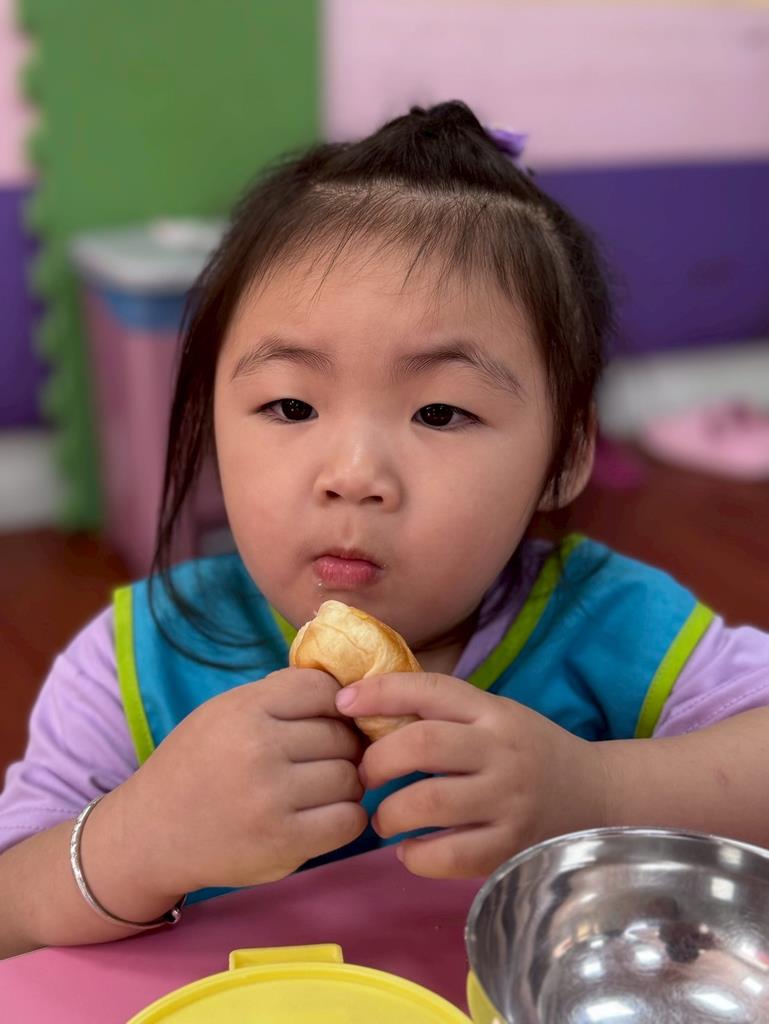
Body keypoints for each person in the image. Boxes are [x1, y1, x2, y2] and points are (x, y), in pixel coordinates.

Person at [2, 101, 769, 960]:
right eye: (290, 406)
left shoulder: (608, 623)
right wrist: (137, 839)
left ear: (564, 453)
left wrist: (594, 791)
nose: (353, 474)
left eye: (439, 412)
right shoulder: (137, 661)